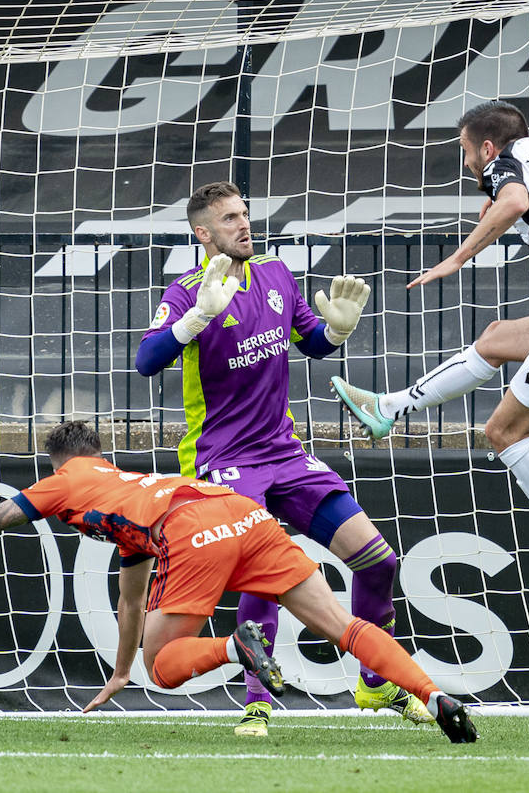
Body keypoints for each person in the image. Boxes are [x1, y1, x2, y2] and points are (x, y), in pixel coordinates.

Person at [0, 422, 477, 743]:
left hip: (189, 527)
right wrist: (118, 672)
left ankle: (236, 645)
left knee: (164, 668)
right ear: (101, 453)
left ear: (57, 465)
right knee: (345, 627)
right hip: (239, 509)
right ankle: (434, 695)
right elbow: (130, 597)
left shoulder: (65, 483)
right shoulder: (124, 484)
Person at [135, 180, 430, 736]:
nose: (243, 225)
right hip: (222, 461)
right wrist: (195, 319)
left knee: (378, 560)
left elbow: (312, 341)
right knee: (262, 575)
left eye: (244, 214)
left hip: (284, 452)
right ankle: (258, 702)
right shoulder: (187, 292)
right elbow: (147, 360)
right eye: (229, 219)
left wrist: (337, 331)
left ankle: (372, 681)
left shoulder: (275, 273)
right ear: (203, 233)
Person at [330, 100, 529, 607]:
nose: (467, 162)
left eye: (466, 151)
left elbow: (517, 202)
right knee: (497, 337)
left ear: (489, 146)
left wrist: (457, 256)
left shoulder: (504, 165)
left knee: (503, 432)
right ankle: (385, 409)